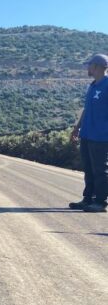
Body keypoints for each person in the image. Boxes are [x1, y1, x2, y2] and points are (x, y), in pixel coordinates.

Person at [69, 54, 108, 213]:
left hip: (101, 135)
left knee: (99, 169)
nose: (87, 68)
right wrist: (77, 128)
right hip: (87, 133)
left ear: (97, 66)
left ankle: (100, 202)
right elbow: (86, 109)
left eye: (89, 65)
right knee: (89, 168)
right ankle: (88, 199)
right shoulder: (92, 86)